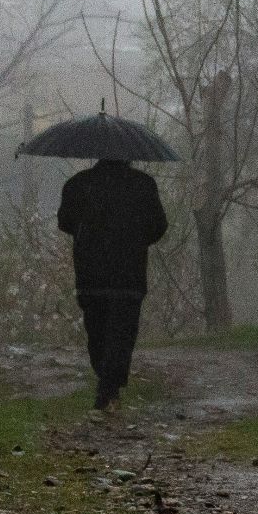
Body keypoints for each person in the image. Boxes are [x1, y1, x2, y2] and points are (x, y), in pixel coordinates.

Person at [57, 158, 169, 409]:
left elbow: (64, 222)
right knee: (123, 332)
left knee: (96, 331)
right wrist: (137, 239)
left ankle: (106, 381)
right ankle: (110, 385)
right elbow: (159, 226)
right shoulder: (144, 184)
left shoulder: (77, 184)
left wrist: (87, 234)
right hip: (129, 275)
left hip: (90, 274)